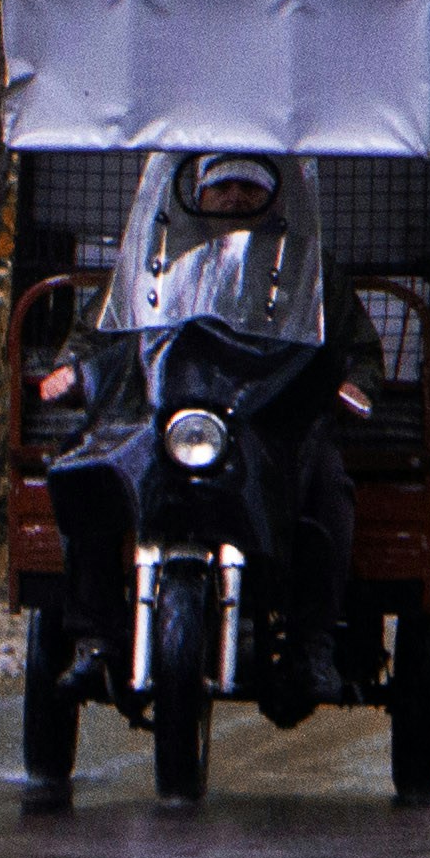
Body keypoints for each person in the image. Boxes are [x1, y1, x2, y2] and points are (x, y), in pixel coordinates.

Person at [107, 150, 357, 711]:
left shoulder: (310, 267)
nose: (236, 196)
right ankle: (97, 635)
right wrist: (74, 367)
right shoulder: (158, 258)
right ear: (198, 194)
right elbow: (109, 329)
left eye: (250, 186)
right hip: (177, 421)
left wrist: (353, 384)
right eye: (223, 185)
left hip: (275, 424)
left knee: (329, 489)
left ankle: (313, 645)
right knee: (96, 473)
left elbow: (356, 348)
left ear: (274, 197)